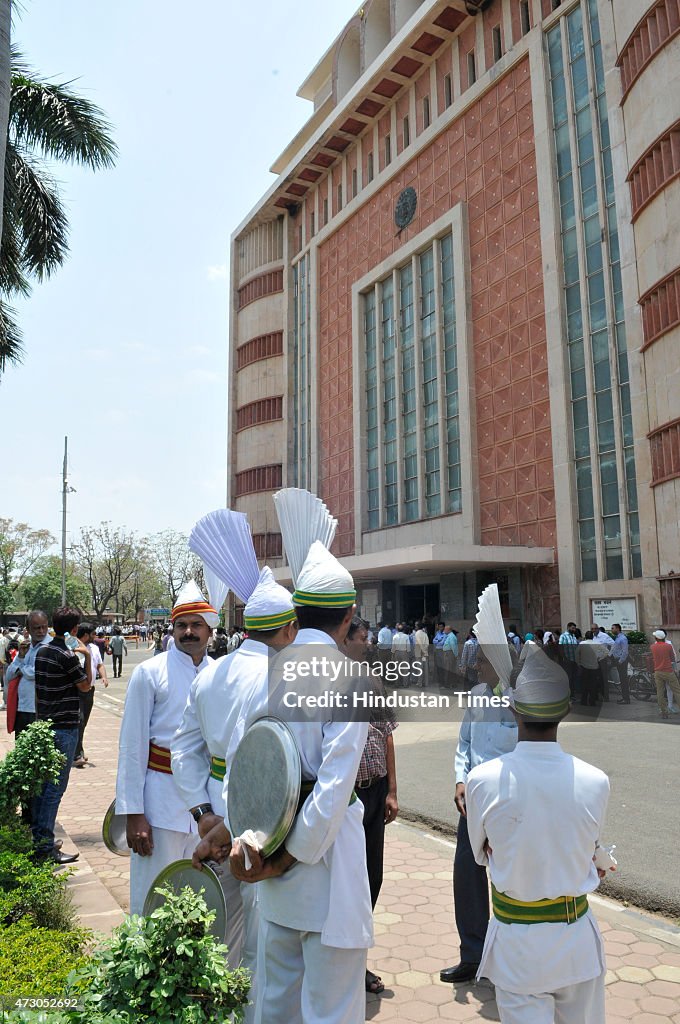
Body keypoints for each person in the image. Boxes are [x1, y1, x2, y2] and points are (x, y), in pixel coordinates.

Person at [196, 539, 372, 1024]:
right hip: (324, 869)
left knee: (273, 1005)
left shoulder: (268, 674)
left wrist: (251, 843)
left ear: (299, 611)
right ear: (349, 614)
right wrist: (289, 857)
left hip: (270, 866)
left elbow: (241, 768)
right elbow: (334, 788)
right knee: (332, 1009)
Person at [172, 557, 297, 1018]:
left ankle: (213, 1007)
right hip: (257, 818)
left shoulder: (211, 674)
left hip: (211, 815)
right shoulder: (280, 676)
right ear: (289, 627)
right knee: (260, 939)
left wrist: (202, 812)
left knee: (219, 928)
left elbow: (184, 748)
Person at [465, 647, 612, 1023]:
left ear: (513, 709)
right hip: (576, 938)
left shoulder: (481, 780)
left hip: (518, 946)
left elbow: (481, 854)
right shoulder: (596, 781)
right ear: (565, 710)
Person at [115, 580, 217, 915]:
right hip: (159, 806)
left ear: (209, 629)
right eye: (181, 625)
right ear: (172, 630)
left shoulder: (221, 673)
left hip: (210, 808)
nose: (188, 631)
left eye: (196, 625)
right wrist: (133, 813)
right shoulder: (149, 673)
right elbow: (132, 747)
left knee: (203, 902)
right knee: (153, 897)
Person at [440, 646, 517, 985]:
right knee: (467, 878)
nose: (475, 666)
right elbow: (464, 743)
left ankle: (511, 957)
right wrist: (460, 779)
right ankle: (472, 955)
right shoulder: (475, 695)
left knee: (509, 879)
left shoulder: (521, 700)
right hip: (471, 805)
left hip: (508, 805)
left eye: (482, 661)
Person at [343, 616, 398, 996]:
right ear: (346, 640)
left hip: (375, 793)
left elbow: (388, 738)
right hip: (345, 798)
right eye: (364, 638)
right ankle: (346, 962)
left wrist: (393, 790)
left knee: (372, 876)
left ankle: (357, 957)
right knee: (347, 880)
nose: (369, 644)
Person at [32, 606, 93, 863]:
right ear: (75, 629)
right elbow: (86, 685)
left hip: (45, 725)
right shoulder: (67, 656)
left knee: (43, 786)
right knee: (54, 789)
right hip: (64, 728)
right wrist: (87, 656)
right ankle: (45, 848)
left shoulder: (43, 652)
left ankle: (41, 838)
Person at [4, 610, 51, 737]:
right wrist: (20, 657)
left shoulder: (51, 647)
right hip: (22, 708)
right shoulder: (26, 647)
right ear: (28, 629)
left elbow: (36, 672)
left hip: (40, 709)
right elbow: (9, 676)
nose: (41, 631)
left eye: (44, 627)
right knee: (21, 749)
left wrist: (21, 669)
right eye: (36, 628)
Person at [73, 622, 109, 767]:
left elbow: (99, 664)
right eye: (93, 634)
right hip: (78, 691)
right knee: (79, 721)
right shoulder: (74, 648)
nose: (95, 636)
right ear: (86, 635)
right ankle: (77, 754)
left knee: (84, 722)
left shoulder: (93, 648)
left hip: (90, 691)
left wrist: (104, 677)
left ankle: (78, 750)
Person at [650, 629, 680, 720]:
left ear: (656, 638)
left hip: (658, 671)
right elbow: (672, 659)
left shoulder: (652, 646)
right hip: (668, 671)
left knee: (660, 692)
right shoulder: (668, 646)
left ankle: (664, 712)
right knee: (677, 691)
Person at [576, 630, 607, 707]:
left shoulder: (582, 644)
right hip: (594, 667)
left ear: (585, 637)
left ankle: (584, 701)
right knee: (593, 685)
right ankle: (592, 701)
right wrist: (599, 658)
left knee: (584, 684)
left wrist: (578, 663)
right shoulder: (597, 643)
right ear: (593, 637)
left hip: (584, 667)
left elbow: (576, 654)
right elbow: (606, 651)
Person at [558, 621, 580, 700]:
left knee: (574, 678)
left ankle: (572, 695)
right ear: (568, 627)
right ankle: (567, 695)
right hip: (567, 660)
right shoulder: (563, 636)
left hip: (574, 661)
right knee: (568, 678)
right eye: (572, 628)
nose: (574, 629)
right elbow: (560, 648)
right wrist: (564, 658)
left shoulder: (573, 636)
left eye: (575, 628)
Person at [610, 623, 630, 705]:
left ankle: (626, 699)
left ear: (618, 629)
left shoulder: (623, 638)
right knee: (622, 680)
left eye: (613, 628)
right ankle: (624, 697)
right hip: (618, 660)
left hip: (621, 661)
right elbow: (614, 649)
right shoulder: (618, 638)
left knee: (623, 680)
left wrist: (620, 661)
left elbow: (625, 652)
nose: (611, 630)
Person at [413, 621, 430, 688]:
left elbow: (419, 643)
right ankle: (426, 683)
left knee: (419, 668)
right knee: (425, 668)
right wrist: (425, 650)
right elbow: (427, 643)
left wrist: (422, 650)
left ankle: (419, 683)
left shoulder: (417, 633)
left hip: (419, 653)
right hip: (425, 653)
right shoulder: (425, 633)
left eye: (415, 625)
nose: (415, 626)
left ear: (417, 626)